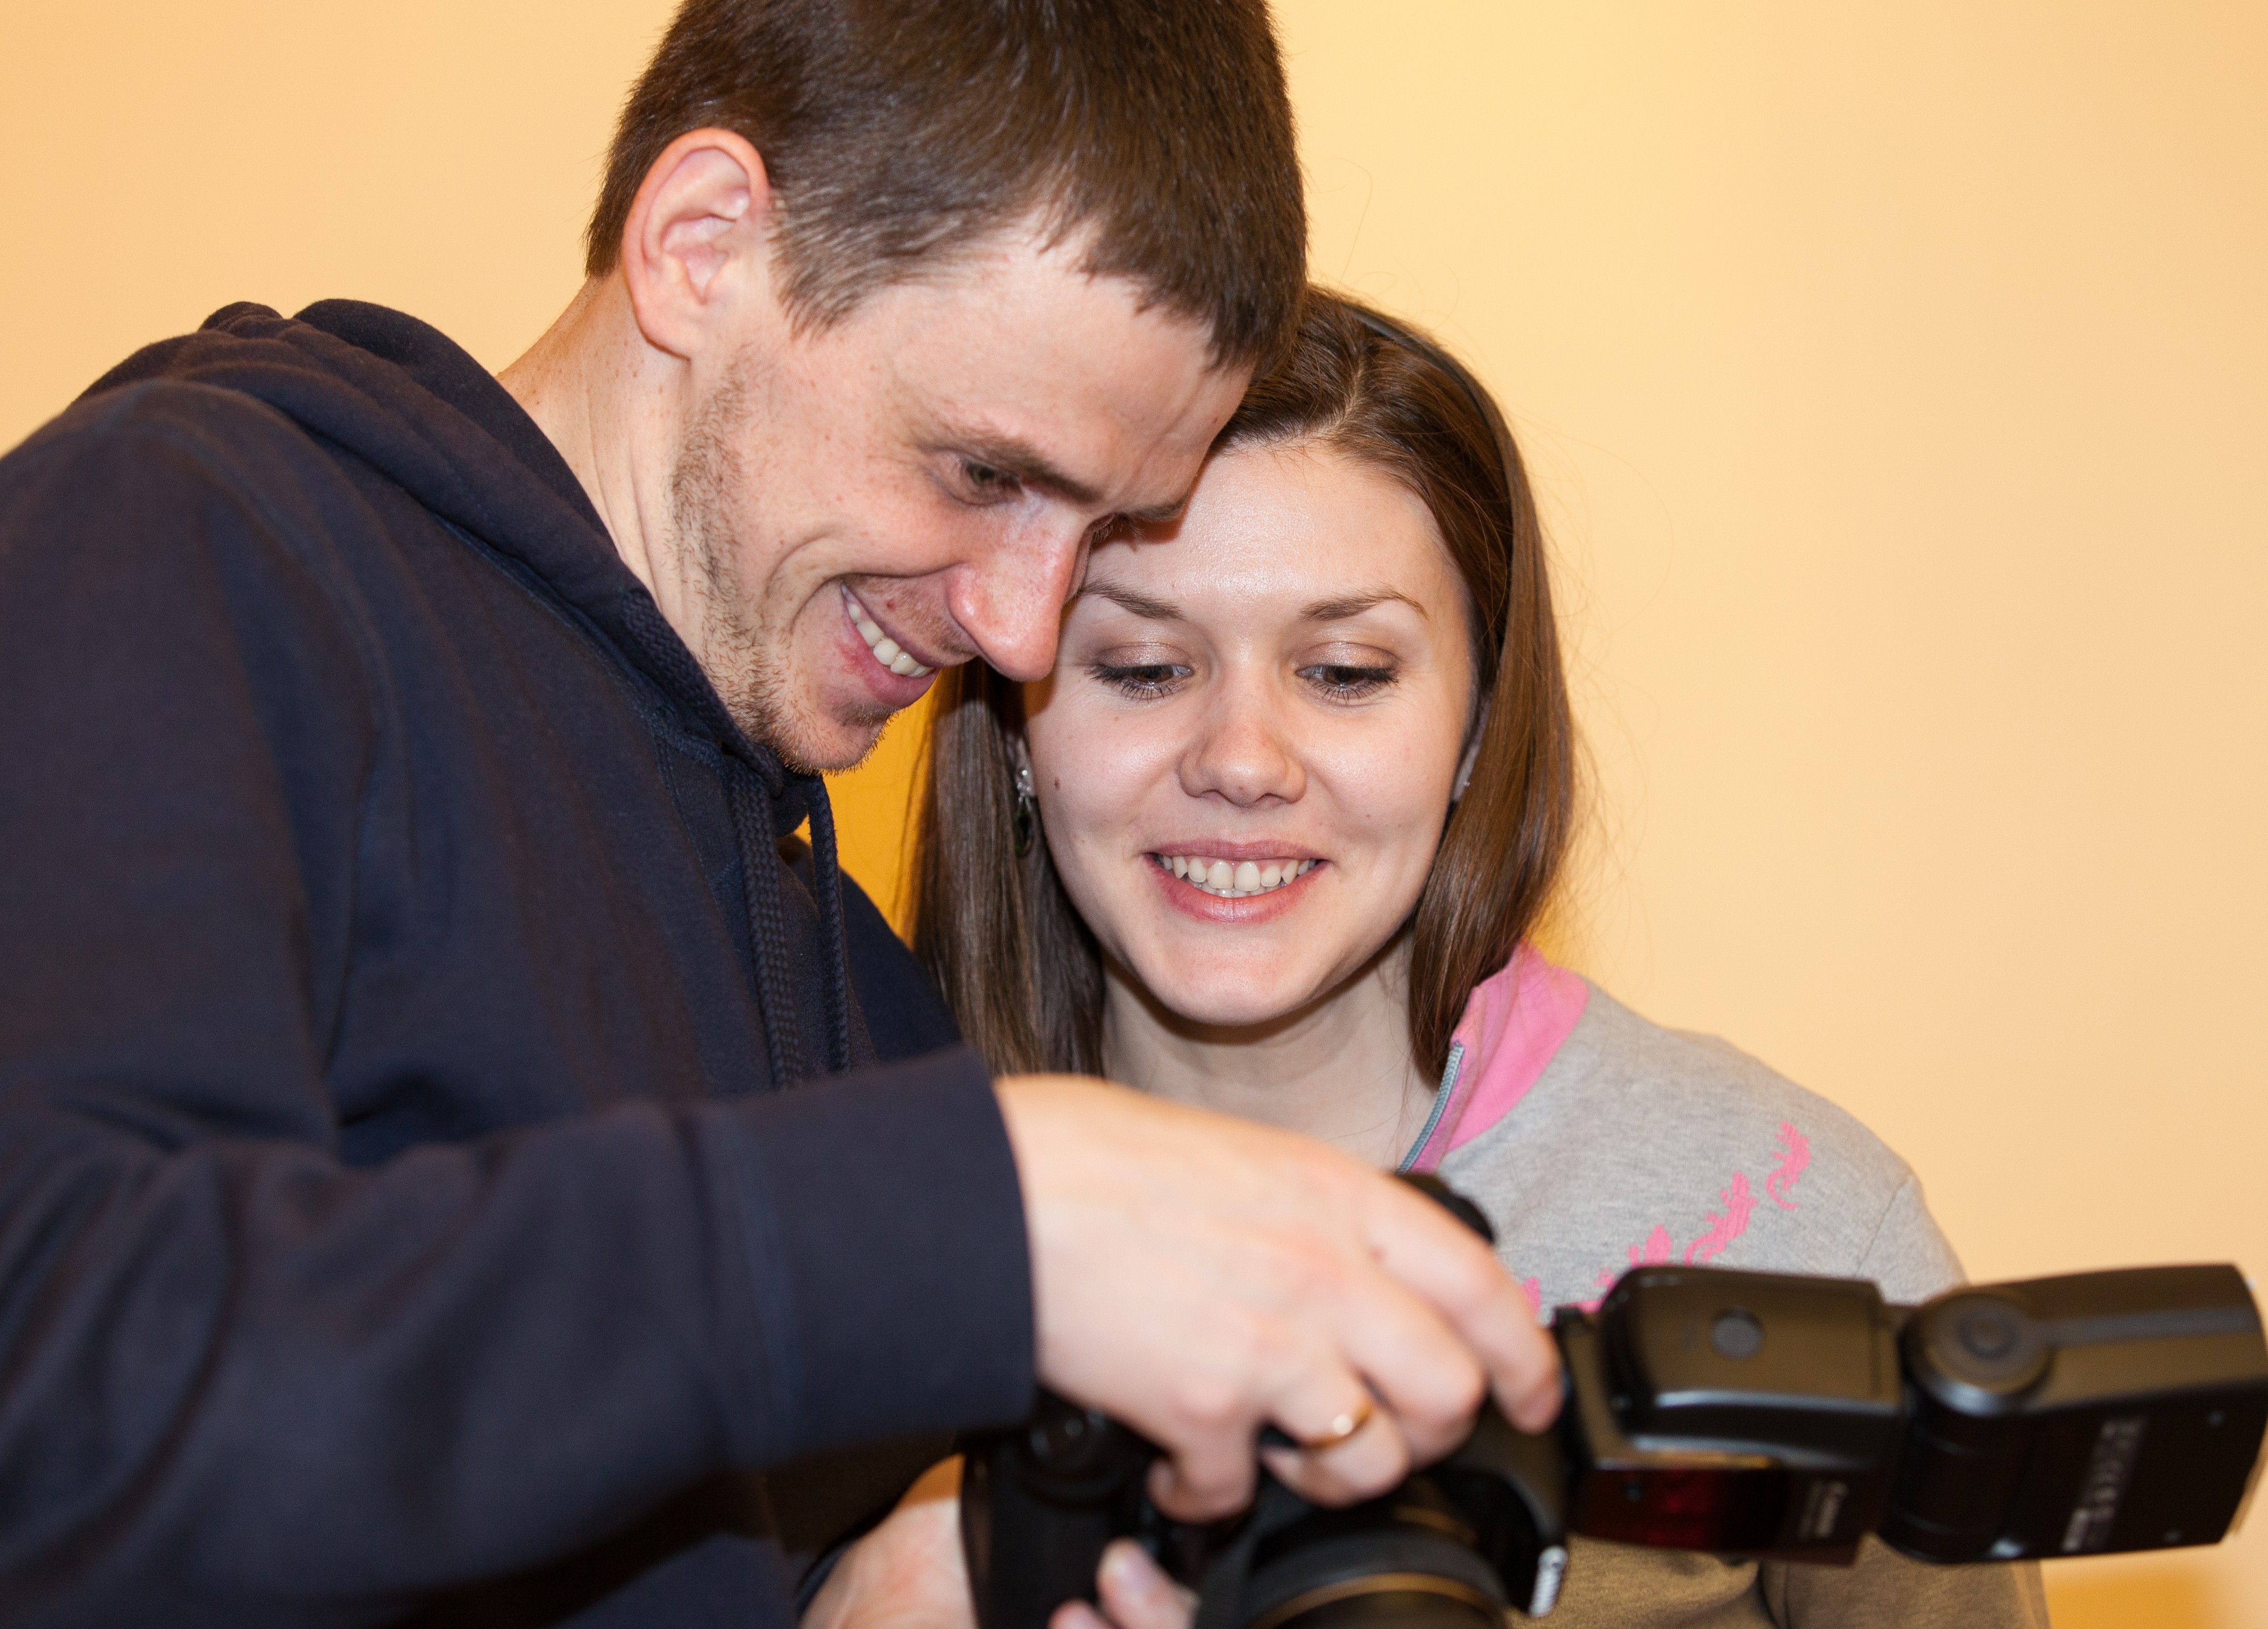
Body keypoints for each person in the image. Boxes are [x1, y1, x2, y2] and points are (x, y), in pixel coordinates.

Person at [0, 6, 1563, 1624]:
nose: (1024, 634)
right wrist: (980, 1211)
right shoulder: (192, 548)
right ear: (702, 244)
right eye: (980, 471)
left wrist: (860, 1595)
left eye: (1101, 527)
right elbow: (56, 1373)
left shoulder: (841, 978)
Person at [905, 290, 2054, 1627]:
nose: (1236, 761)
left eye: (1342, 671)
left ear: (1475, 729)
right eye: (1144, 666)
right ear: (1012, 723)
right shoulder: (861, 1222)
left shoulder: (1796, 1244)